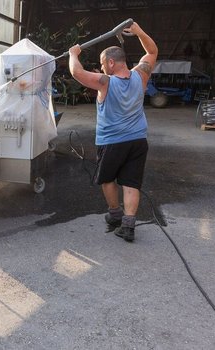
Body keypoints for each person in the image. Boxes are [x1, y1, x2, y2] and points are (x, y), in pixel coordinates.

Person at [68, 22, 157, 242]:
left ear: (110, 62)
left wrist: (73, 53)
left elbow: (76, 72)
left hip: (112, 142)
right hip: (138, 140)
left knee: (108, 179)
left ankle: (115, 214)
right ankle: (128, 226)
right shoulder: (141, 75)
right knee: (131, 182)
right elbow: (152, 51)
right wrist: (139, 32)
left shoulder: (105, 83)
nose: (102, 68)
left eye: (102, 64)